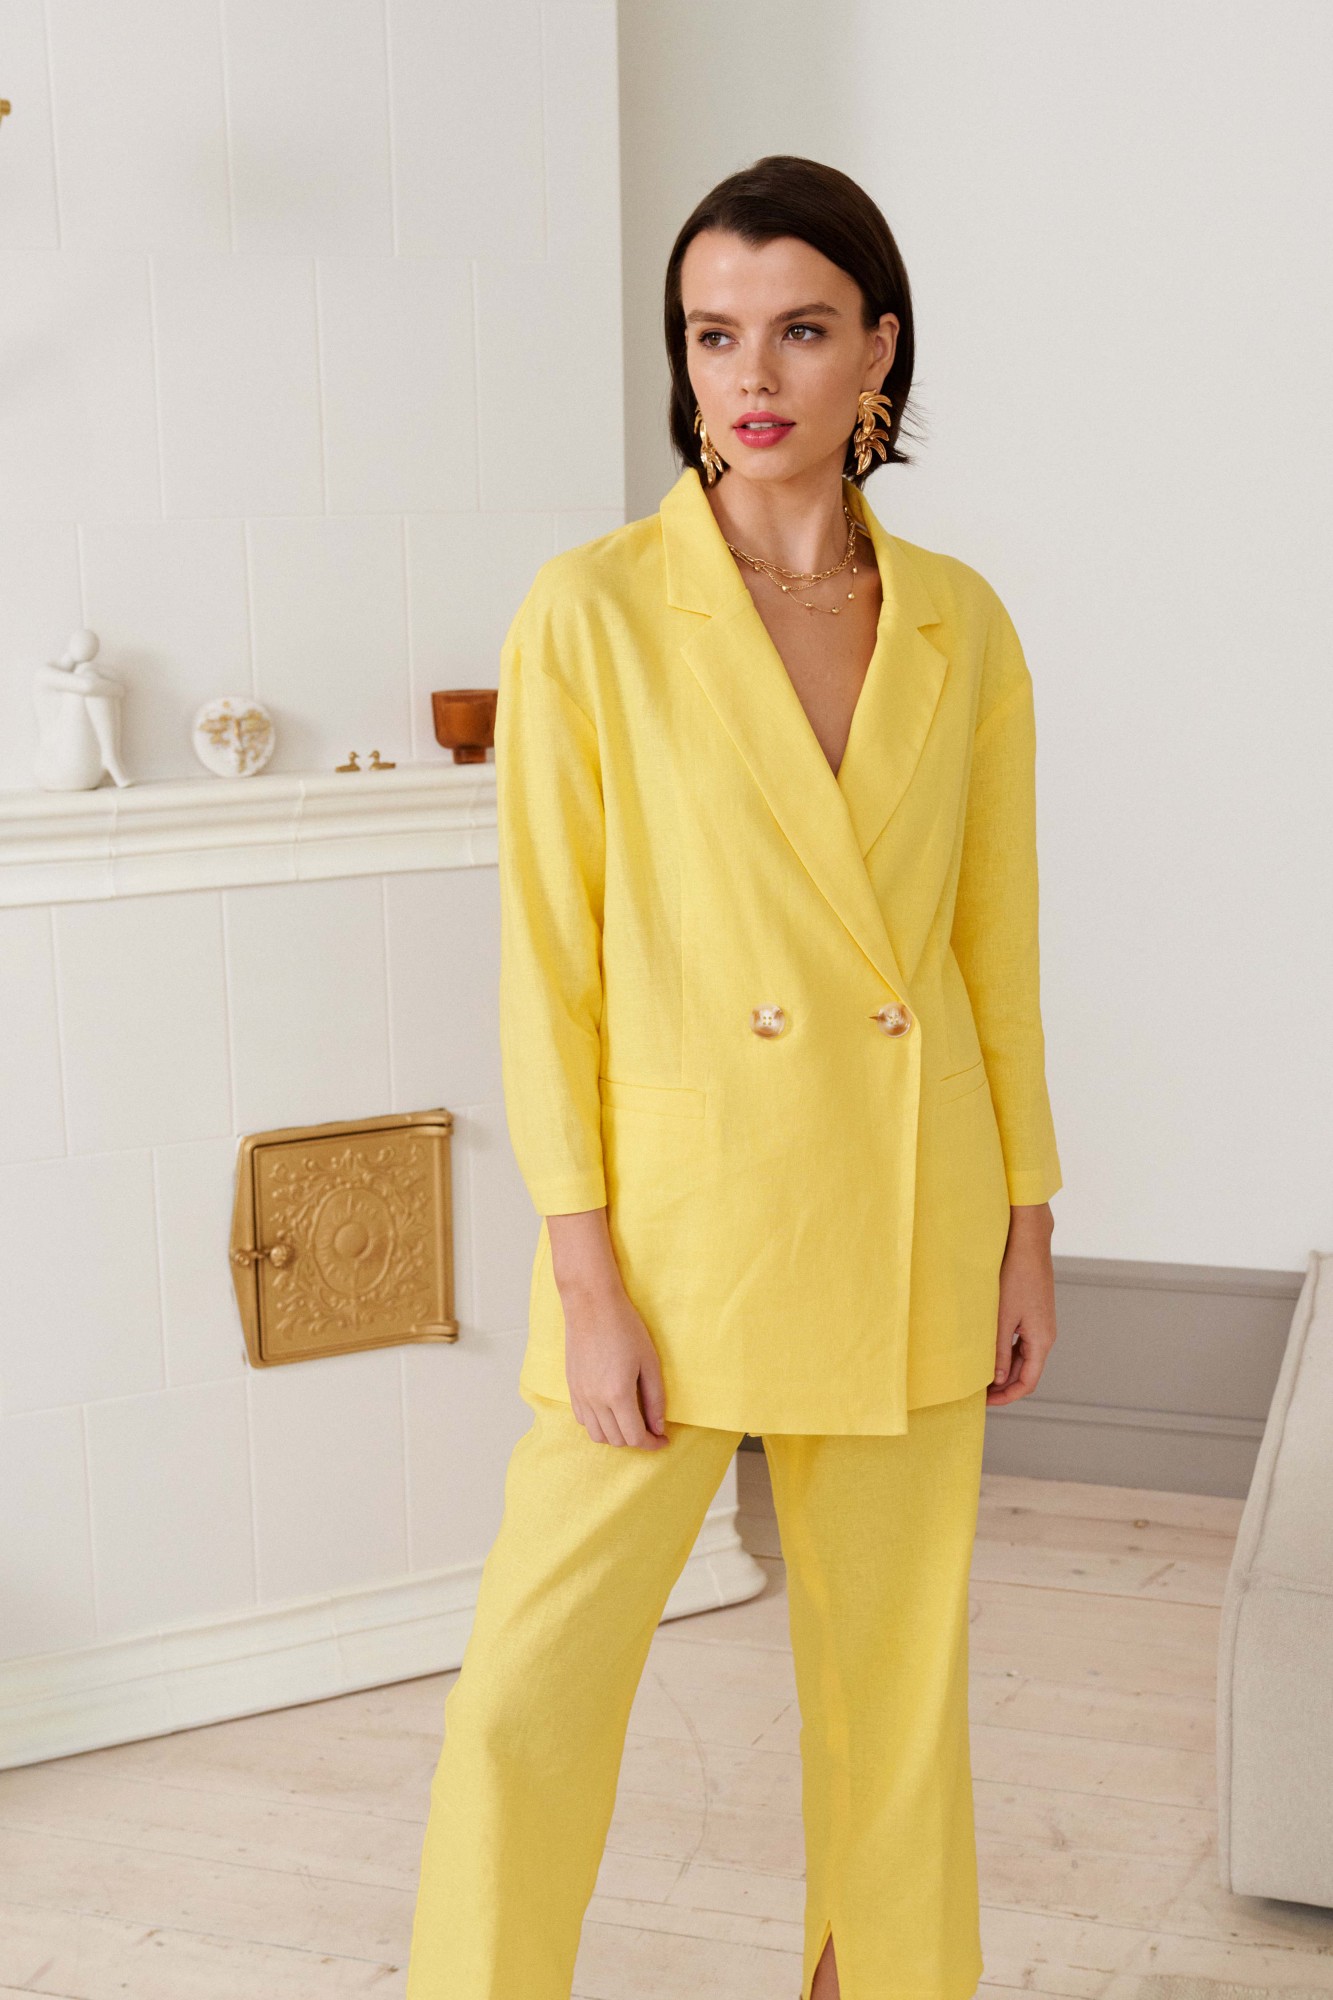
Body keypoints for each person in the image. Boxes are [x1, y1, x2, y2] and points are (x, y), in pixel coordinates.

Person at [406, 152, 1062, 2000]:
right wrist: (583, 1274)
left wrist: (1023, 1222)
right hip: (676, 1238)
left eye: (798, 330)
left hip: (909, 1207)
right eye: (710, 334)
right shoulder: (593, 612)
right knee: (531, 1686)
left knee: (894, 1700)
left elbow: (992, 955)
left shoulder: (959, 621)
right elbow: (549, 973)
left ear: (879, 353)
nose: (750, 375)